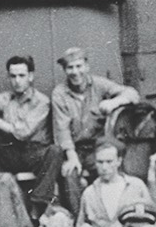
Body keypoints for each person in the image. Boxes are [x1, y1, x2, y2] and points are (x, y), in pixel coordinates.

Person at [0, 55, 62, 214]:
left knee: (55, 151)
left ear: (31, 76)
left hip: (34, 153)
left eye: (22, 76)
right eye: (13, 76)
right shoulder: (6, 98)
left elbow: (23, 133)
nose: (17, 81)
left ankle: (38, 204)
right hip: (11, 153)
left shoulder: (41, 101)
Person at [50, 46, 139, 190]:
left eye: (79, 66)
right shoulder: (59, 94)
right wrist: (72, 157)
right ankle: (79, 212)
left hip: (98, 147)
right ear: (65, 70)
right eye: (70, 68)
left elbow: (132, 93)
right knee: (69, 173)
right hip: (75, 149)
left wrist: (114, 102)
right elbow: (62, 130)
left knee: (113, 167)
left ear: (86, 66)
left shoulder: (99, 84)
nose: (75, 72)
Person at [75, 141, 151, 227]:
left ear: (119, 161)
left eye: (109, 161)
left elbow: (152, 218)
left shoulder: (136, 186)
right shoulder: (89, 193)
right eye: (100, 162)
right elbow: (81, 226)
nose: (104, 167)